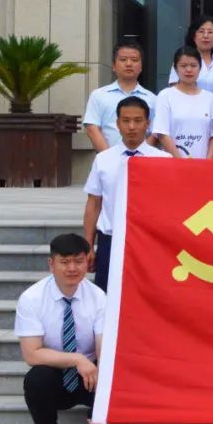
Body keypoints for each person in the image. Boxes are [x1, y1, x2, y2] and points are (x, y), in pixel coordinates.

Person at [14, 232, 115, 424]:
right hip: (57, 370)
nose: (72, 268)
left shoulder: (99, 297)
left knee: (111, 370)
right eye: (65, 262)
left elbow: (104, 350)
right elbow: (32, 354)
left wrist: (102, 400)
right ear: (51, 264)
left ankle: (102, 423)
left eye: (78, 261)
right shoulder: (31, 298)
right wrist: (76, 359)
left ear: (87, 262)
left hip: (91, 372)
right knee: (36, 379)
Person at [83, 97, 171, 291]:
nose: (132, 127)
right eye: (126, 120)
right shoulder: (103, 160)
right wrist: (88, 245)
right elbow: (94, 203)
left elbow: (169, 206)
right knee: (107, 294)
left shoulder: (164, 160)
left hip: (149, 241)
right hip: (111, 240)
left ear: (147, 124)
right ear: (117, 124)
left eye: (138, 121)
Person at [82, 41, 157, 152]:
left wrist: (141, 155)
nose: (129, 64)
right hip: (108, 158)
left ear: (141, 67)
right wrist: (109, 157)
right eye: (123, 59)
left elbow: (155, 132)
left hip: (142, 160)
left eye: (134, 60)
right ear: (113, 66)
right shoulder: (99, 95)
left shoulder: (152, 99)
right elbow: (92, 129)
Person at [152, 46, 213, 159]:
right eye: (183, 66)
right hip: (172, 162)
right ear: (175, 68)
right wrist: (181, 162)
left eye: (193, 65)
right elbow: (162, 133)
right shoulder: (165, 96)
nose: (188, 70)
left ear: (200, 68)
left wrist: (208, 162)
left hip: (203, 164)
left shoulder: (211, 98)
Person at [168, 16, 213, 93]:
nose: (206, 36)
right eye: (201, 31)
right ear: (193, 36)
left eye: (210, 32)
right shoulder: (182, 63)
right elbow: (174, 92)